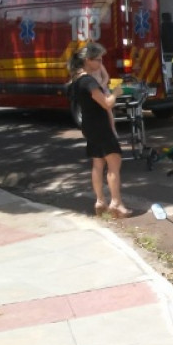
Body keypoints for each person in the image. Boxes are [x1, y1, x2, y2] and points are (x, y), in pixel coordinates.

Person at [67, 42, 132, 218]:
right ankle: (116, 203)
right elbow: (106, 103)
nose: (100, 62)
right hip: (100, 125)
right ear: (88, 60)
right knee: (114, 162)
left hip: (89, 125)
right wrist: (116, 93)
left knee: (97, 162)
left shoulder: (76, 80)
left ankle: (100, 200)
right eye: (98, 60)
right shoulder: (88, 81)